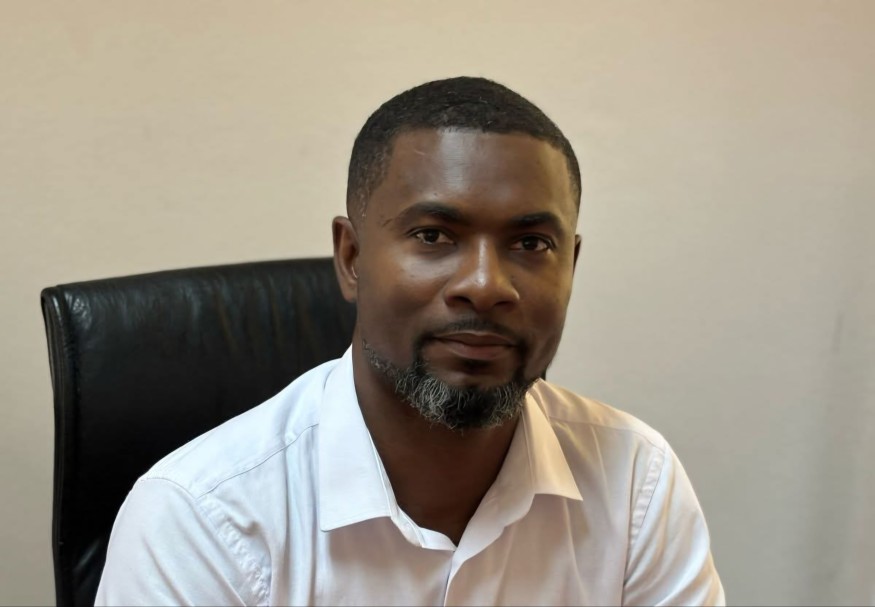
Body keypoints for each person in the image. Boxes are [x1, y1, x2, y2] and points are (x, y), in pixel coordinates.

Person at [96, 76, 725, 606]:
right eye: (433, 236)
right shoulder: (202, 521)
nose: (486, 285)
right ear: (351, 258)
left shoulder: (633, 482)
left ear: (572, 268)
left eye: (531, 243)